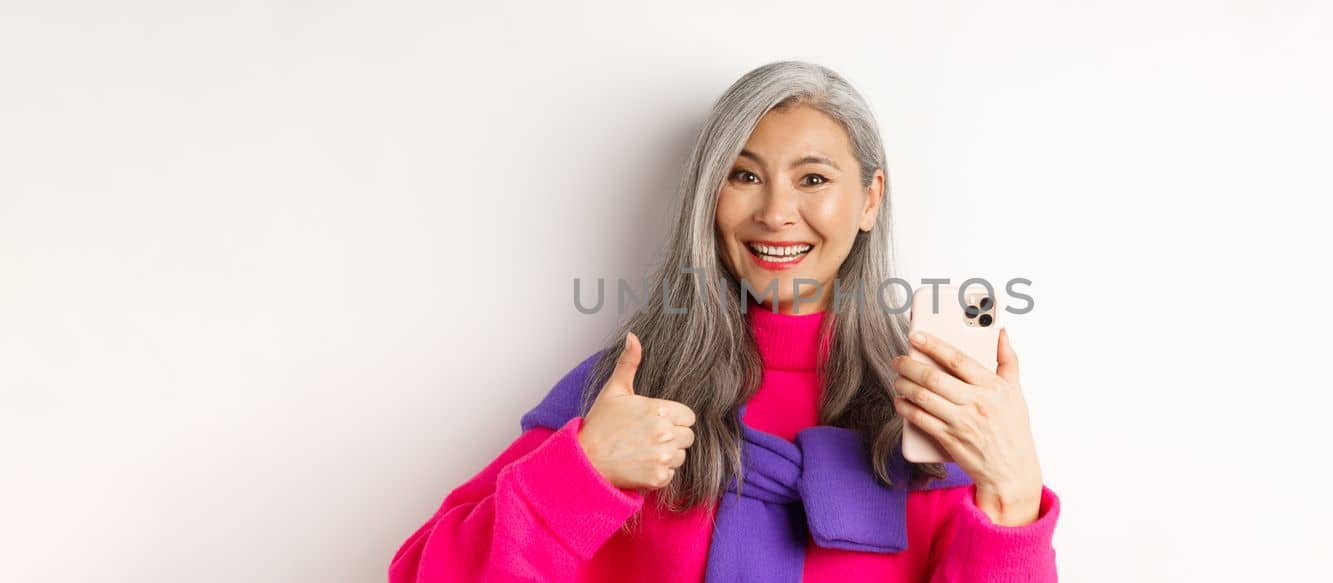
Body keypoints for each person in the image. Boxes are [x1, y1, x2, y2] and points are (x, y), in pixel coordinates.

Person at [389, 60, 1059, 582]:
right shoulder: (627, 391)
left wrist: (1013, 496)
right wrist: (583, 469)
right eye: (743, 176)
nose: (775, 212)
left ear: (869, 199)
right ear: (709, 199)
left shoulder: (936, 407)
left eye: (814, 179)